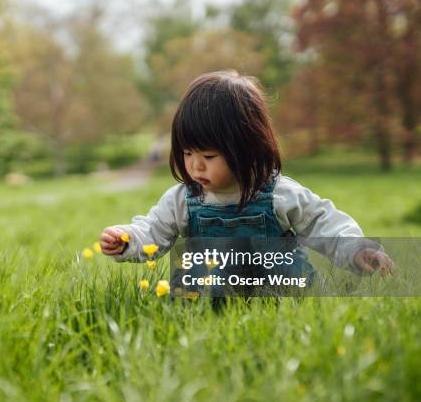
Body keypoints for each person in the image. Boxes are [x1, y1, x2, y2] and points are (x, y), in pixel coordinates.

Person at [99, 70, 392, 299]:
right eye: (188, 153)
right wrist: (127, 238)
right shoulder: (183, 199)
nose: (195, 165)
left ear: (247, 149)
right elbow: (154, 230)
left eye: (209, 155)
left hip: (283, 296)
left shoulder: (279, 194)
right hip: (205, 300)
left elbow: (322, 222)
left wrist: (355, 249)